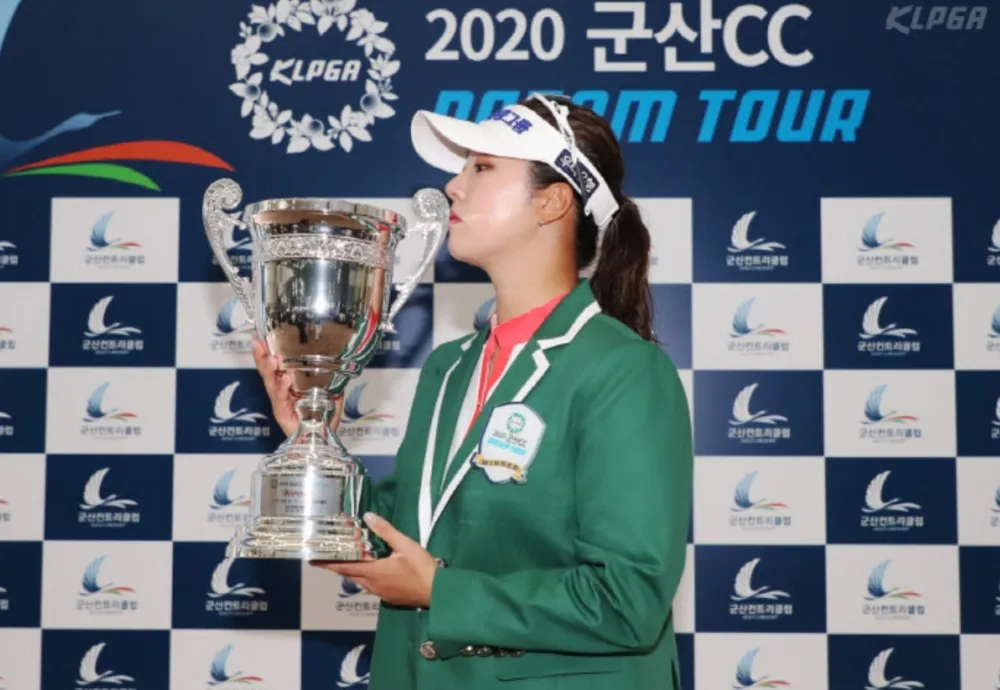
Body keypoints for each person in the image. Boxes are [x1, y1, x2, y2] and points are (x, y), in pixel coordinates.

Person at [252, 93, 693, 690]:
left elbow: (627, 601)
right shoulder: (449, 366)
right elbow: (406, 534)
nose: (453, 187)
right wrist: (312, 440)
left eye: (482, 167)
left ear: (552, 201)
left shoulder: (625, 372)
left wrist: (440, 590)